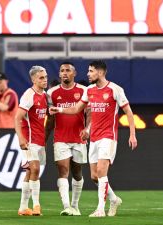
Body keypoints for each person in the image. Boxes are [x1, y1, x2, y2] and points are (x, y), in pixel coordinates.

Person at [50, 60, 137, 217]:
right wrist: (60, 109)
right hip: (94, 138)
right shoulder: (89, 90)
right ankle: (114, 199)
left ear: (101, 72)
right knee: (94, 176)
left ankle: (100, 209)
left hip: (108, 137)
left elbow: (129, 112)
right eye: (88, 71)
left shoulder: (115, 89)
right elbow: (77, 108)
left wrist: (132, 134)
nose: (88, 74)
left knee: (102, 172)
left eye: (91, 71)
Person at [46, 62, 90, 216]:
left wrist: (87, 128)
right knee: (63, 170)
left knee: (77, 172)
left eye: (68, 70)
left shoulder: (84, 91)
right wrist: (44, 138)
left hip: (79, 138)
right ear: (59, 74)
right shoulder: (51, 93)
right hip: (61, 138)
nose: (65, 73)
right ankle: (66, 206)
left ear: (74, 73)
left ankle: (75, 205)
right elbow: (50, 118)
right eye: (62, 71)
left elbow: (89, 113)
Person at [15, 66, 48, 216]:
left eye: (45, 77)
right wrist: (20, 137)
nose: (45, 80)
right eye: (41, 78)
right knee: (35, 169)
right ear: (33, 79)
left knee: (30, 171)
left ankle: (23, 208)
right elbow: (17, 117)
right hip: (29, 139)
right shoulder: (29, 95)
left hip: (40, 139)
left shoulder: (44, 95)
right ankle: (36, 205)